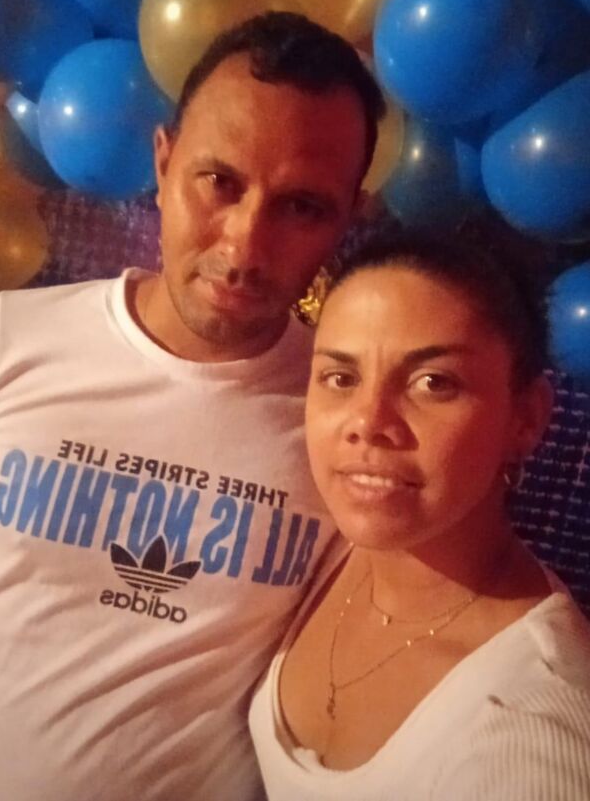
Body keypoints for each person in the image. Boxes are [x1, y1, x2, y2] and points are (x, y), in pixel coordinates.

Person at [0, 12, 385, 801]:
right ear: (163, 160)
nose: (244, 245)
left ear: (347, 220)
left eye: (301, 207)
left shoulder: (347, 423)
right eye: (220, 182)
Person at [250, 219, 590, 799]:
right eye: (340, 376)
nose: (367, 422)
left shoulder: (533, 730)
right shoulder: (330, 543)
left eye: (433, 382)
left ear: (526, 417)